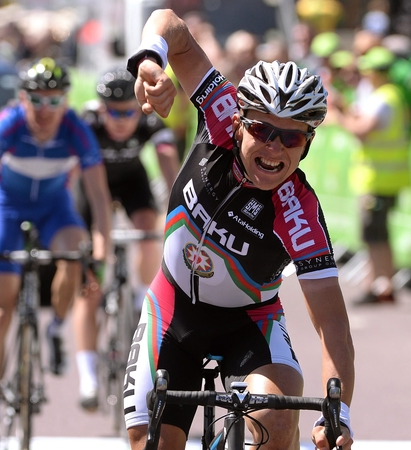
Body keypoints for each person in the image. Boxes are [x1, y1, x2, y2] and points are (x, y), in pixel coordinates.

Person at [123, 8, 355, 450]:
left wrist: (338, 413)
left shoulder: (300, 214)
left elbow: (333, 327)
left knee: (277, 420)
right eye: (263, 130)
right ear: (238, 122)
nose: (273, 147)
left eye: (291, 138)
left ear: (307, 144)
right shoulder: (218, 114)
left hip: (249, 324)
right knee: (147, 438)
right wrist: (150, 60)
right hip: (173, 310)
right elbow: (169, 24)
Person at [0, 57, 112, 448]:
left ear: (66, 101)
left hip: (54, 209)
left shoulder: (76, 130)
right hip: (7, 209)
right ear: (22, 99)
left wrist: (100, 250)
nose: (45, 111)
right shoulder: (8, 124)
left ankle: (57, 327)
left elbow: (98, 197)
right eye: (36, 101)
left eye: (54, 101)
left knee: (74, 254)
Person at [72, 67, 180, 411]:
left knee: (148, 228)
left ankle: (138, 297)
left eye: (127, 112)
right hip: (92, 188)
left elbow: (168, 165)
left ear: (139, 108)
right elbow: (67, 173)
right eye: (111, 111)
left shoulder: (151, 122)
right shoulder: (85, 123)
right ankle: (87, 376)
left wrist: (178, 213)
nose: (119, 120)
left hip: (132, 182)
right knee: (89, 286)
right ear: (100, 108)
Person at [335, 46, 411, 304]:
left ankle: (382, 285)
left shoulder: (384, 98)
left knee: (376, 234)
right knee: (376, 234)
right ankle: (379, 283)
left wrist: (340, 116)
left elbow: (362, 129)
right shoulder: (389, 95)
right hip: (381, 177)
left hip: (379, 179)